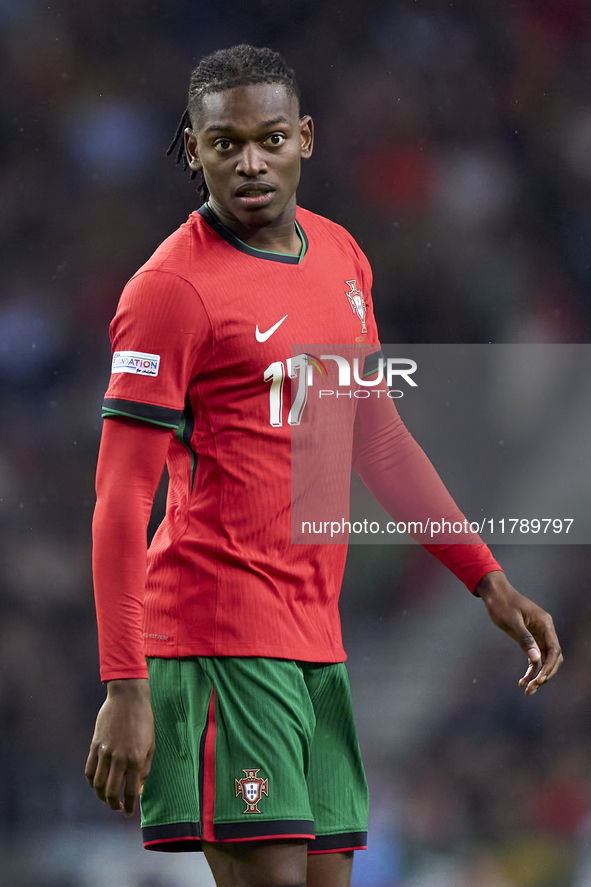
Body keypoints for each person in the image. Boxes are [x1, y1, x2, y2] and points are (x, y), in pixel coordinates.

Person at [85, 44, 563, 887]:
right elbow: (121, 497)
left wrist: (485, 577)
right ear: (192, 150)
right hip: (217, 636)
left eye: (270, 137)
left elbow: (375, 440)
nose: (250, 161)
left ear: (305, 137)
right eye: (225, 143)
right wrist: (124, 684)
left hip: (317, 641)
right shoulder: (169, 290)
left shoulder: (341, 258)